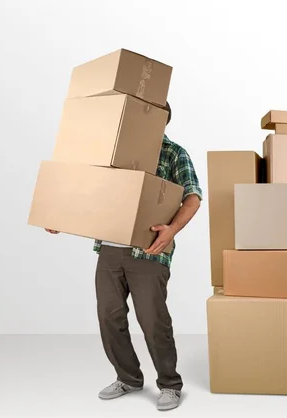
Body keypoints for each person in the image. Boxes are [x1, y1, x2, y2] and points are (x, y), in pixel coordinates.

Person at [45, 101, 202, 412]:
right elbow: (93, 194)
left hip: (148, 253)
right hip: (109, 250)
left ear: (163, 120)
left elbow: (193, 196)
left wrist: (171, 230)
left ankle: (170, 384)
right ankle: (128, 377)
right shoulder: (115, 154)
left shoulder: (174, 153)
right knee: (109, 317)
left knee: (153, 321)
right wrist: (62, 218)